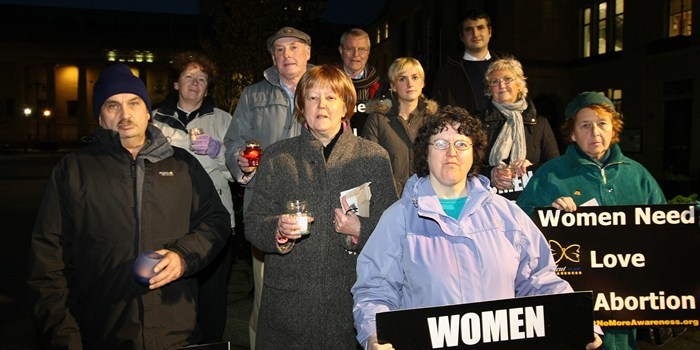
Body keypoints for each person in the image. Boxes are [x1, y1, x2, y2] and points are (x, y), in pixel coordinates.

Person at [352, 106, 602, 350]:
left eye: (461, 144)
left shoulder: (507, 215)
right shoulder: (400, 218)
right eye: (440, 143)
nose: (451, 151)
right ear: (425, 154)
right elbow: (375, 291)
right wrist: (375, 335)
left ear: (474, 154)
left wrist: (580, 321)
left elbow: (540, 280)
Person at [27, 63, 231, 349]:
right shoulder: (73, 171)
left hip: (175, 332)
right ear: (100, 117)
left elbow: (216, 221)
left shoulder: (182, 164)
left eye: (134, 103)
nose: (125, 114)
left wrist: (184, 256)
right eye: (112, 106)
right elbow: (48, 264)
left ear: (148, 112)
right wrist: (64, 338)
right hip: (102, 331)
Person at [244, 65, 398, 349]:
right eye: (313, 98)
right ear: (302, 105)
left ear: (345, 106)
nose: (321, 106)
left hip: (349, 304)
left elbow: (393, 231)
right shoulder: (279, 156)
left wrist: (360, 229)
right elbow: (254, 222)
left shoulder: (373, 157)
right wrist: (277, 230)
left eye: (330, 98)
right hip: (290, 307)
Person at [517, 92, 666, 350]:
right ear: (572, 133)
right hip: (574, 300)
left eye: (602, 124)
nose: (594, 132)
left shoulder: (638, 175)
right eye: (585, 125)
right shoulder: (551, 175)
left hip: (625, 303)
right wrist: (548, 215)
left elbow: (664, 227)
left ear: (613, 130)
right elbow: (520, 225)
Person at [223, 26, 313, 349]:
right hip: (266, 208)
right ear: (272, 57)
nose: (286, 54)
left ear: (308, 53)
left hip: (313, 207)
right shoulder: (253, 94)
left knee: (315, 297)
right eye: (279, 49)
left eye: (293, 47)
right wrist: (240, 163)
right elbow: (233, 142)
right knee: (265, 300)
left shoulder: (324, 88)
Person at [151, 51, 234, 343]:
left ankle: (211, 345)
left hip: (214, 223)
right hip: (168, 222)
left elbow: (240, 172)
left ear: (208, 87)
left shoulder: (224, 121)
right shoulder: (154, 121)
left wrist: (218, 151)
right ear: (176, 84)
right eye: (189, 77)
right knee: (171, 298)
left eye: (202, 79)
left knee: (212, 298)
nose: (195, 83)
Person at [477, 57, 559, 191]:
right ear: (489, 89)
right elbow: (467, 164)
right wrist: (490, 173)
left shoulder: (541, 123)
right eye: (494, 81)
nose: (501, 85)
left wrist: (533, 169)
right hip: (489, 198)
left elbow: (555, 166)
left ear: (520, 85)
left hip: (529, 198)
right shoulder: (477, 122)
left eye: (507, 79)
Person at [363, 57, 438, 195]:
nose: (410, 84)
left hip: (427, 199)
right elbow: (369, 165)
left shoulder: (434, 120)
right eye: (402, 79)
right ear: (392, 86)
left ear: (422, 82)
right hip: (390, 201)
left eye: (415, 77)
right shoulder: (378, 120)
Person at [431, 9, 503, 114]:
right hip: (462, 129)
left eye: (480, 28)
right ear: (461, 36)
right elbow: (438, 108)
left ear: (490, 32)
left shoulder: (505, 67)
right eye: (469, 30)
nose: (475, 34)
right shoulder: (448, 71)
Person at [337, 28, 386, 136]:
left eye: (361, 49)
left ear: (368, 52)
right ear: (341, 50)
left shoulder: (383, 87)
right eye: (350, 49)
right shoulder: (328, 83)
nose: (356, 55)